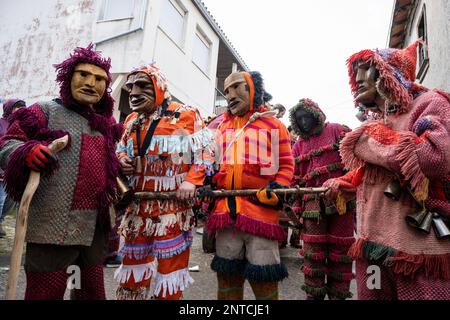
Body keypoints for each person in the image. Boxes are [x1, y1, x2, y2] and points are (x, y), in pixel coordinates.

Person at [324, 41, 450, 300]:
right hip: (372, 246)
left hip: (418, 249)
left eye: (366, 68)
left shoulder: (430, 102)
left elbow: (433, 157)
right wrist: (345, 182)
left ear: (390, 72)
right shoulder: (378, 119)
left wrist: (369, 138)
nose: (357, 77)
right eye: (354, 70)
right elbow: (377, 172)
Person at [0, 44, 123, 300]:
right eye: (83, 75)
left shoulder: (107, 125)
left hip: (92, 231)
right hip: (51, 229)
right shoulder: (44, 110)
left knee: (89, 294)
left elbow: (106, 167)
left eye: (100, 79)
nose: (91, 83)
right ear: (68, 78)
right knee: (45, 294)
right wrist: (26, 153)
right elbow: (8, 143)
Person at [114, 64, 214, 300]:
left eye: (143, 86)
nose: (135, 92)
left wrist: (191, 181)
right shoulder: (130, 120)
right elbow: (120, 148)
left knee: (170, 273)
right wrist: (122, 159)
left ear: (159, 87)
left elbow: (206, 152)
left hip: (173, 209)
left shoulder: (187, 113)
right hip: (137, 209)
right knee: (132, 270)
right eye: (131, 88)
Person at [206, 71, 294, 300]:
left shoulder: (273, 125)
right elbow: (212, 165)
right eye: (226, 91)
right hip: (226, 216)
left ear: (253, 89)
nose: (230, 95)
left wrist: (278, 188)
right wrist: (208, 184)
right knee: (226, 279)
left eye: (237, 87)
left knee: (263, 279)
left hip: (260, 216)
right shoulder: (222, 128)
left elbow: (285, 165)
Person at [290, 98, 354, 300]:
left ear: (315, 115)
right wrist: (296, 208)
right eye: (299, 119)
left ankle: (339, 295)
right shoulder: (298, 145)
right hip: (311, 205)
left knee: (341, 250)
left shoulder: (336, 130)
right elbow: (295, 179)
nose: (304, 122)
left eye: (306, 117)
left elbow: (354, 162)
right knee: (313, 254)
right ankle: (314, 296)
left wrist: (347, 185)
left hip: (341, 200)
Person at [0, 99, 26, 238]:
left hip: (13, 171)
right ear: (10, 109)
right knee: (1, 200)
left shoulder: (23, 124)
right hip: (1, 167)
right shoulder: (1, 123)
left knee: (10, 202)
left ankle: (1, 220)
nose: (21, 109)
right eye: (17, 107)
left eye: (23, 107)